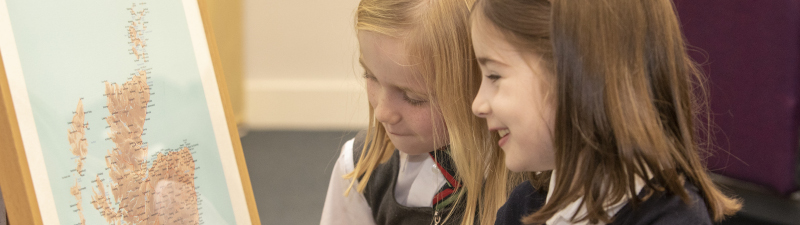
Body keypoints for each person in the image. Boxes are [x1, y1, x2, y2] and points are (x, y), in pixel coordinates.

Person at [469, 0, 742, 224]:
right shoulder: (524, 206)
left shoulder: (672, 218)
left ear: (576, 75)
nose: (477, 104)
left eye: (494, 75)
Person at [320, 0, 524, 224]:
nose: (383, 113)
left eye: (413, 98)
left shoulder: (526, 181)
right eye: (370, 76)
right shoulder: (360, 166)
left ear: (477, 87)